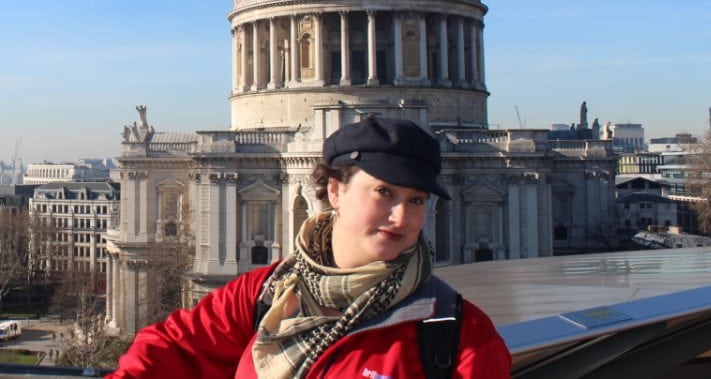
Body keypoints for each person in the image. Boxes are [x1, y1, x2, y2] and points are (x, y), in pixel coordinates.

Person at [111, 115, 510, 378]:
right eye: (383, 192)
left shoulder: (459, 336)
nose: (401, 217)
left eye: (417, 200)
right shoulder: (264, 293)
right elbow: (170, 349)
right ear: (334, 190)